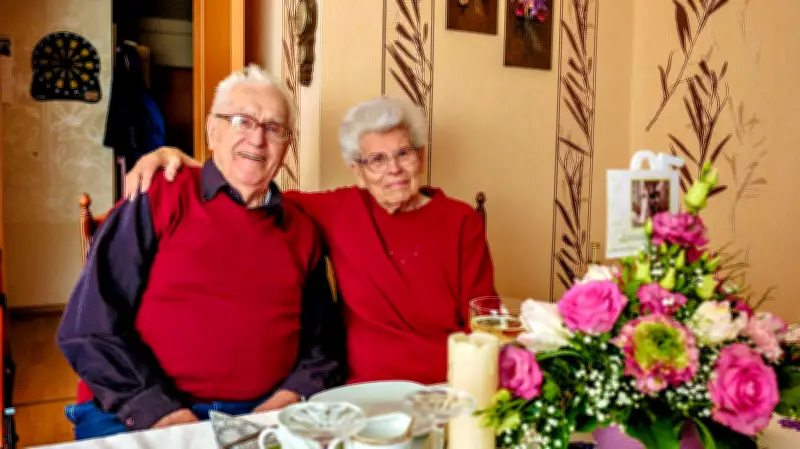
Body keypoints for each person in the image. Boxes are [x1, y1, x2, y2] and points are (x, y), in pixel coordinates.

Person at [124, 96, 497, 385]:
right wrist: (177, 157)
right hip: (361, 390)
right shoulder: (340, 210)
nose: (394, 169)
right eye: (376, 160)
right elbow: (250, 189)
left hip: (445, 385)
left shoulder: (460, 221)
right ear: (357, 170)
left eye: (404, 154)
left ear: (422, 156)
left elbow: (484, 322)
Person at [57, 64, 343, 439]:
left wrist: (288, 398)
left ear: (286, 145)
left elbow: (323, 345)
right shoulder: (159, 194)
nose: (258, 139)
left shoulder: (301, 230)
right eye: (242, 121)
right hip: (139, 407)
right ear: (212, 131)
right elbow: (88, 328)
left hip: (260, 413)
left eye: (274, 128)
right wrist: (164, 414)